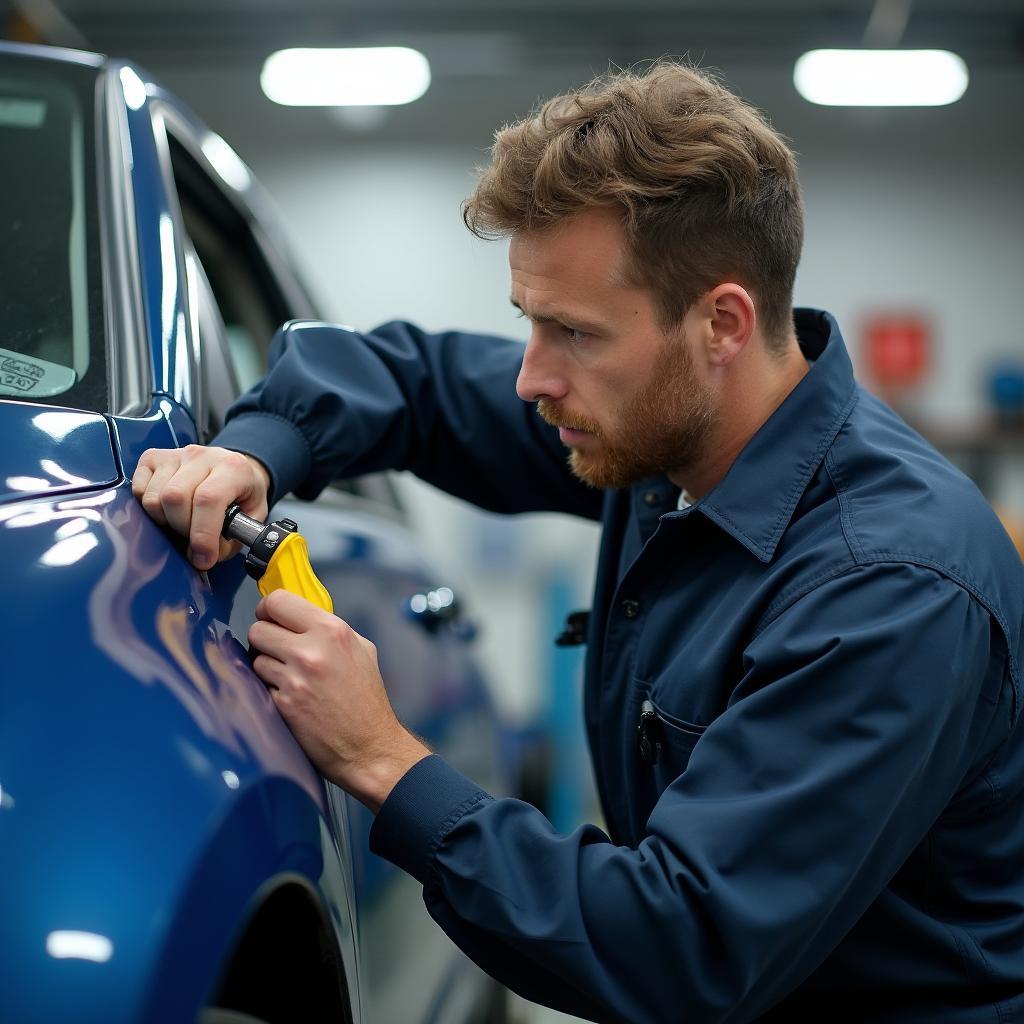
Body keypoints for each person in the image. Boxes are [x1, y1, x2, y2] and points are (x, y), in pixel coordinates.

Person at [131, 63, 1024, 1023]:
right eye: (529, 322)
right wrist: (250, 455)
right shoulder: (666, 425)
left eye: (574, 332)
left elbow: (679, 949)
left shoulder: (887, 589)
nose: (531, 377)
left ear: (721, 322)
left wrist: (383, 759)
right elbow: (412, 380)